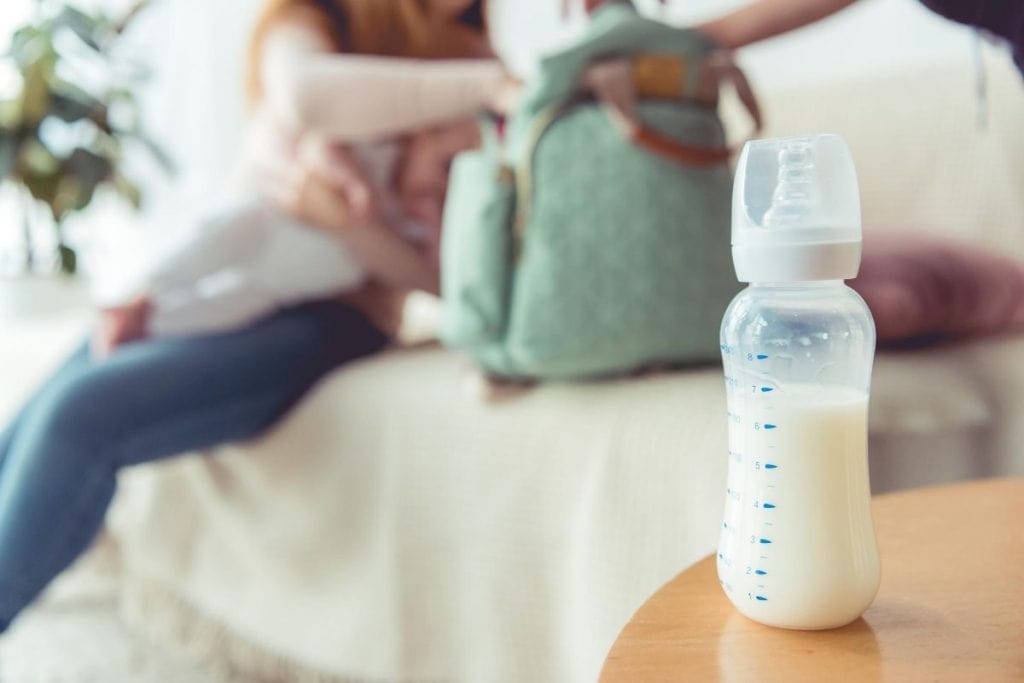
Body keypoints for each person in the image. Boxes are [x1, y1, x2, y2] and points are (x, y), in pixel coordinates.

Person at [0, 0, 509, 635]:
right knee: (49, 402)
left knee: (82, 414)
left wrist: (350, 228)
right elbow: (303, 104)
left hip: (330, 316)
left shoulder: (479, 71)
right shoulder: (307, 24)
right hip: (232, 277)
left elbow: (460, 282)